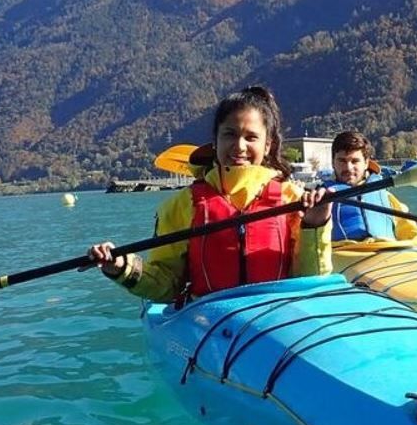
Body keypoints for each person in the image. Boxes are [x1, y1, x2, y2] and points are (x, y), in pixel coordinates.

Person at [88, 86, 333, 303]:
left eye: (251, 137)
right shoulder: (183, 205)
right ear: (215, 141)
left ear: (267, 145)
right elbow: (166, 286)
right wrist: (122, 267)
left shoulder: (294, 198)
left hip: (276, 315)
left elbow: (311, 280)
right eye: (229, 134)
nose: (239, 146)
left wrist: (315, 224)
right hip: (212, 320)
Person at [322, 131, 417, 250]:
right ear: (333, 162)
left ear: (366, 163)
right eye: (342, 161)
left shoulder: (386, 199)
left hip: (385, 255)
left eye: (355, 161)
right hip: (343, 255)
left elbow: (416, 242)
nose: (348, 167)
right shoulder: (319, 198)